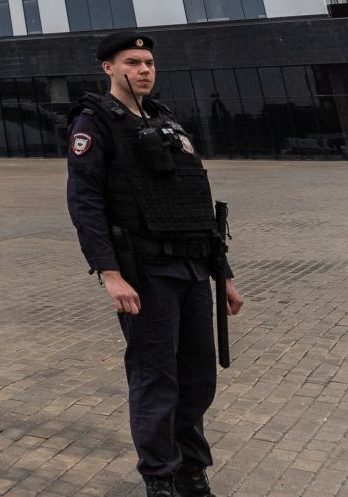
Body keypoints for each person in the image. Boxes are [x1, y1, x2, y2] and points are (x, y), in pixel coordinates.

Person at [66, 32, 246, 496]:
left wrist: (222, 274)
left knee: (198, 378)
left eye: (148, 61)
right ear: (109, 68)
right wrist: (109, 274)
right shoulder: (95, 123)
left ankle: (191, 468)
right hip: (145, 274)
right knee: (156, 378)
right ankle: (160, 477)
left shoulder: (169, 122)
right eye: (132, 61)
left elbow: (195, 200)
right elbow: (86, 204)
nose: (144, 69)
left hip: (191, 271)